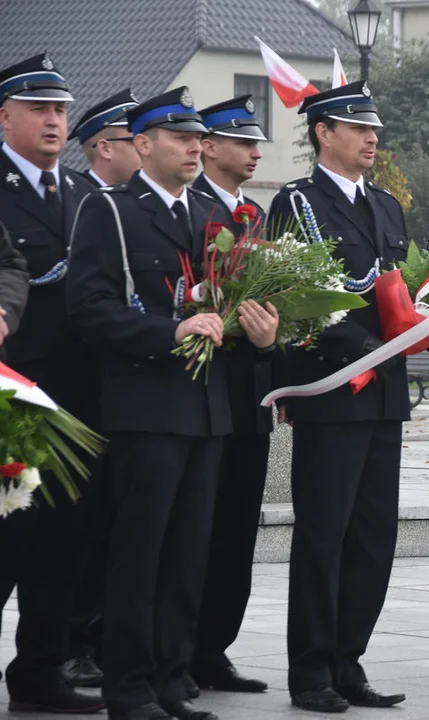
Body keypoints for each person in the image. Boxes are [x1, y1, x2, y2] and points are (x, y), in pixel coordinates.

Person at [67, 86, 279, 720]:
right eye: (181, 138)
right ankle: (127, 687)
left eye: (197, 138)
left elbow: (220, 309)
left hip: (209, 411)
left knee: (189, 556)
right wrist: (169, 333)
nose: (195, 147)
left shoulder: (205, 218)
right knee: (141, 554)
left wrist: (261, 336)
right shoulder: (110, 212)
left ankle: (170, 679)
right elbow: (90, 308)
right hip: (147, 409)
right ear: (143, 144)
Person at [266, 79, 409, 714]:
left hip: (385, 395)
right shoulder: (297, 202)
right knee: (325, 535)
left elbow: (397, 292)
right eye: (359, 128)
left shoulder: (386, 205)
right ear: (324, 133)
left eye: (374, 128)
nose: (372, 138)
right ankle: (312, 671)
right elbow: (295, 294)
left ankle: (350, 659)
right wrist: (360, 348)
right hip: (334, 392)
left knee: (375, 537)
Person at [0, 52, 105, 713]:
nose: (54, 121)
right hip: (14, 398)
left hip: (80, 398)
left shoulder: (82, 194)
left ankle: (39, 673)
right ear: (4, 115)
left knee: (65, 546)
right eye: (39, 109)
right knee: (8, 541)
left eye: (61, 110)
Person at [188, 95, 272, 694]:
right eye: (242, 141)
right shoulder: (187, 209)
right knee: (193, 526)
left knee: (239, 524)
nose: (255, 152)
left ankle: (214, 647)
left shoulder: (255, 213)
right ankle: (177, 648)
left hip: (248, 392)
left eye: (256, 142)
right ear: (209, 145)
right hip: (198, 386)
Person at [64, 86, 142, 692]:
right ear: (103, 147)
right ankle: (72, 640)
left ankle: (97, 637)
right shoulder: (91, 204)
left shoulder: (131, 205)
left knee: (115, 523)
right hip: (78, 389)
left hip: (120, 390)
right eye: (130, 140)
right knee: (81, 527)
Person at [71, 89, 141, 188]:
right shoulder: (77, 199)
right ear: (105, 149)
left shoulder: (142, 198)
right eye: (136, 141)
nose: (146, 150)